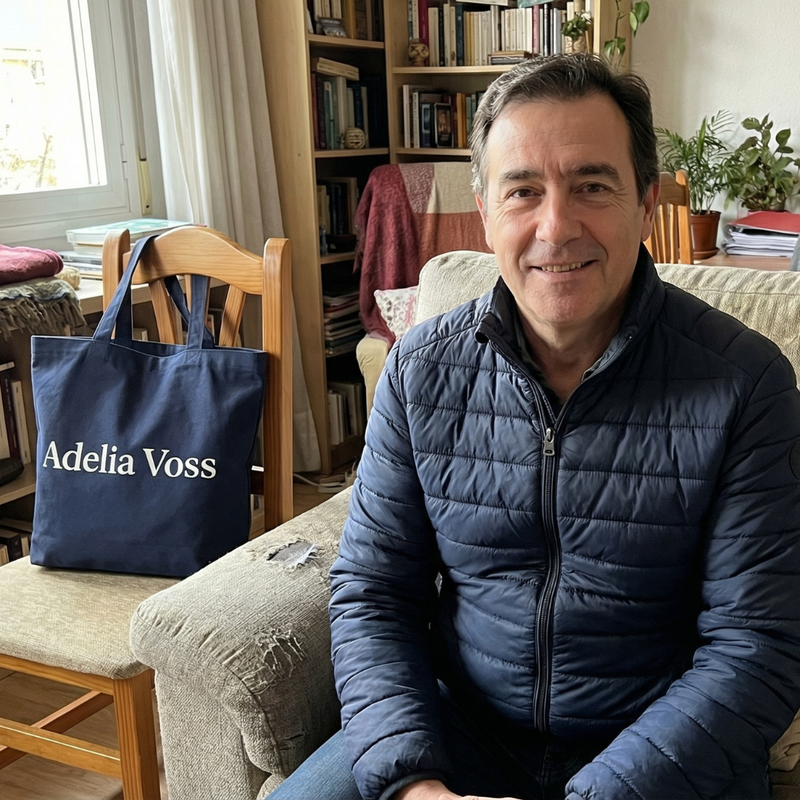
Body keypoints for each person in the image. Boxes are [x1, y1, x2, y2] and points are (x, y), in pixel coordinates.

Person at [272, 54, 800, 800]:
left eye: (592, 186)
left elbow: (758, 646)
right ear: (486, 212)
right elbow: (375, 592)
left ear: (646, 204)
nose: (556, 226)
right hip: (460, 732)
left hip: (664, 750)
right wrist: (413, 783)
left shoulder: (746, 383)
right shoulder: (420, 369)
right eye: (523, 191)